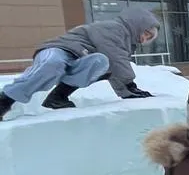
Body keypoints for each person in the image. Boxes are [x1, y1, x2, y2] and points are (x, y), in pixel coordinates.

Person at [0, 7, 159, 121]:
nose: (145, 39)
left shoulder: (127, 42)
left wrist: (126, 90)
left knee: (100, 62)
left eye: (149, 38)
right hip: (60, 49)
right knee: (52, 64)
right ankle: (5, 100)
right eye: (146, 33)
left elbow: (115, 65)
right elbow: (116, 57)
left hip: (80, 58)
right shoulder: (114, 28)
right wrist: (130, 85)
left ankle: (58, 97)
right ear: (136, 24)